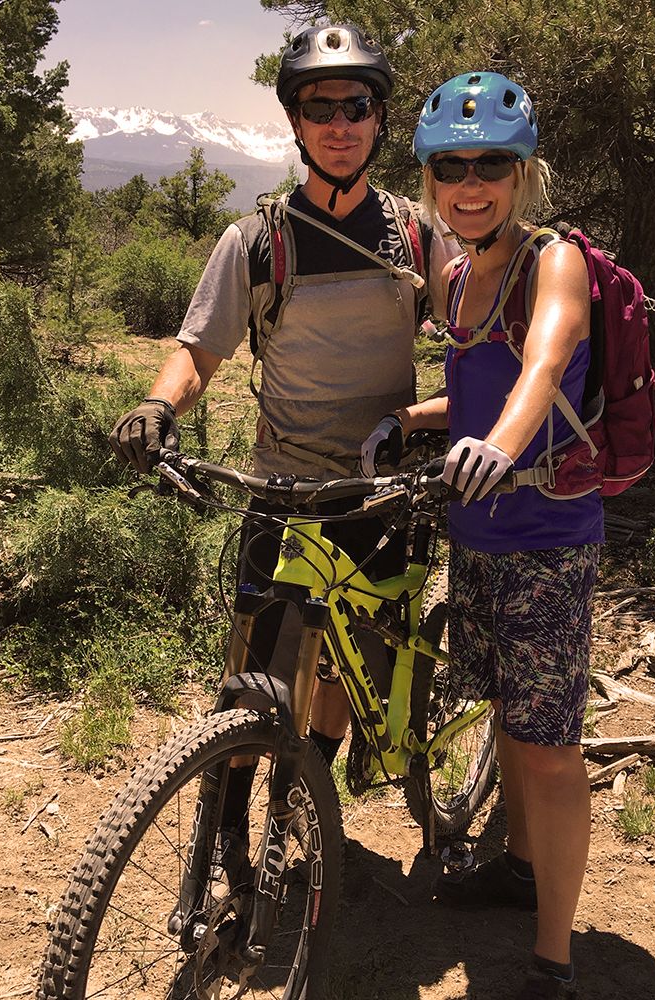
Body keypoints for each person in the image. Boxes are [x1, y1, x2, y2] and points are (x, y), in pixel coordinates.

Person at [109, 25, 453, 770]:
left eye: (356, 106)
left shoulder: (419, 234)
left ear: (378, 120)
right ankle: (228, 832)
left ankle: (308, 800)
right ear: (296, 123)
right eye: (319, 107)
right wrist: (158, 406)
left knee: (343, 673)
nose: (339, 124)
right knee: (253, 678)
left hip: (379, 490)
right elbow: (199, 353)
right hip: (282, 488)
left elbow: (484, 339)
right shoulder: (258, 240)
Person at [362, 72, 602, 999]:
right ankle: (517, 867)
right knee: (506, 713)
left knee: (549, 746)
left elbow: (541, 366)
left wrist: (497, 448)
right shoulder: (457, 276)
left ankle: (551, 959)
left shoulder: (555, 263)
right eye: (451, 167)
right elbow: (475, 386)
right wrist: (410, 421)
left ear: (522, 170)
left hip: (546, 538)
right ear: (429, 179)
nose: (472, 182)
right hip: (477, 534)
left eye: (491, 164)